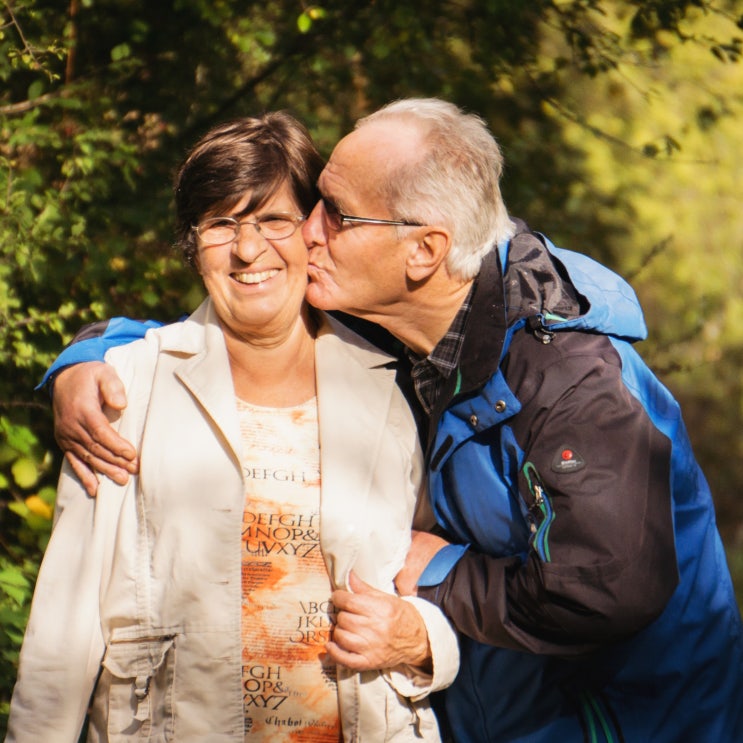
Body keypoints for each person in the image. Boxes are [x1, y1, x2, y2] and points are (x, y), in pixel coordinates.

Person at [41, 98, 743, 742]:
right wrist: (87, 355)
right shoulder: (398, 320)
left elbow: (608, 589)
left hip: (627, 722)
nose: (306, 233)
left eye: (336, 214)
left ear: (424, 250)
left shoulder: (571, 383)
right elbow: (228, 319)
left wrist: (439, 572)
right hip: (501, 711)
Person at [5, 112, 460, 743]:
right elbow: (63, 629)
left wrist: (425, 639)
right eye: (221, 223)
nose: (248, 250)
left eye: (273, 220)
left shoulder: (396, 390)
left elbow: (439, 578)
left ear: (315, 230)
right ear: (194, 243)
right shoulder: (125, 386)